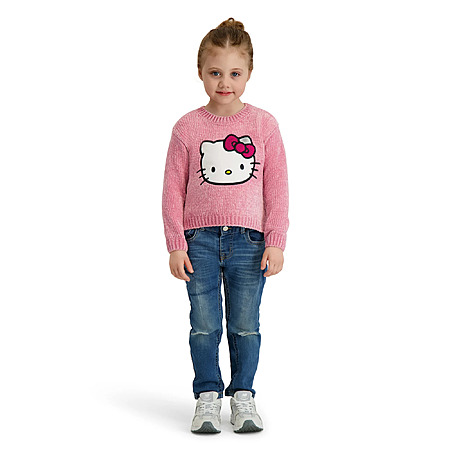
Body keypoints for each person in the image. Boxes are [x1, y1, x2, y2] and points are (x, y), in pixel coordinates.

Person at [161, 17, 289, 433]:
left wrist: (276, 240)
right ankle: (207, 396)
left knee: (245, 325)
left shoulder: (264, 125)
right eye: (215, 72)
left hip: (250, 243)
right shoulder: (187, 127)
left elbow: (277, 188)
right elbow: (172, 190)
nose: (224, 82)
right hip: (197, 241)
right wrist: (175, 243)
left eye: (235, 73)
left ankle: (243, 396)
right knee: (204, 324)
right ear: (200, 71)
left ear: (249, 73)